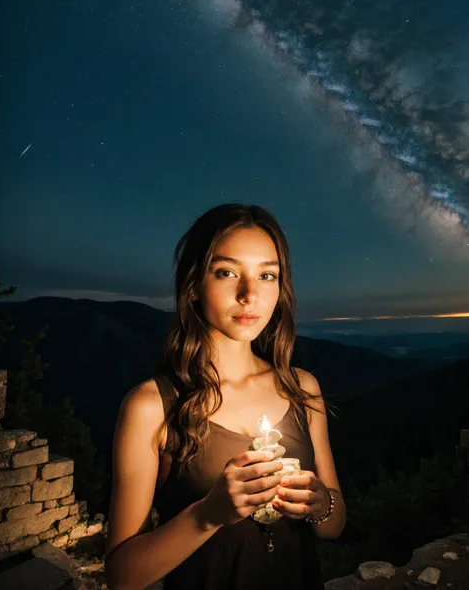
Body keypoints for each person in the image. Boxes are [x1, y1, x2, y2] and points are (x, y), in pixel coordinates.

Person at [105, 203, 346, 590]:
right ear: (194, 285)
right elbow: (122, 577)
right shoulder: (152, 406)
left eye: (267, 275)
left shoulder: (302, 389)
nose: (249, 294)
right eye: (227, 272)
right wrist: (208, 514)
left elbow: (333, 527)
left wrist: (321, 504)